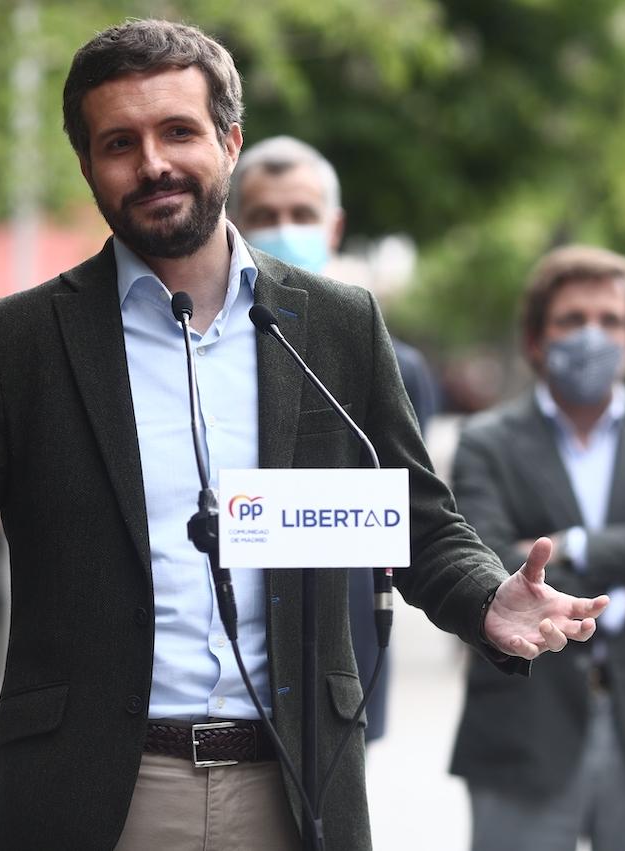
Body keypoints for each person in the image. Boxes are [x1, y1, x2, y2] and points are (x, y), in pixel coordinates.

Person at [0, 20, 608, 851]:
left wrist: (488, 597)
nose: (153, 162)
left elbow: (416, 518)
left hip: (295, 780)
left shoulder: (337, 324)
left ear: (230, 141)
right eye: (119, 142)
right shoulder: (23, 340)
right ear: (89, 165)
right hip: (91, 789)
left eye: (178, 131)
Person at [449, 245, 625, 851]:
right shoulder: (485, 442)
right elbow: (486, 560)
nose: (593, 335)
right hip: (521, 727)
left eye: (611, 321)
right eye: (573, 320)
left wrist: (568, 547)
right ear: (536, 339)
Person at [228, 135, 440, 742]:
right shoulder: (201, 351)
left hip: (342, 666)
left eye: (302, 214)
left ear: (335, 226)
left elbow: (415, 516)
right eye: (266, 216)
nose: (284, 229)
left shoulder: (395, 366)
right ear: (235, 224)